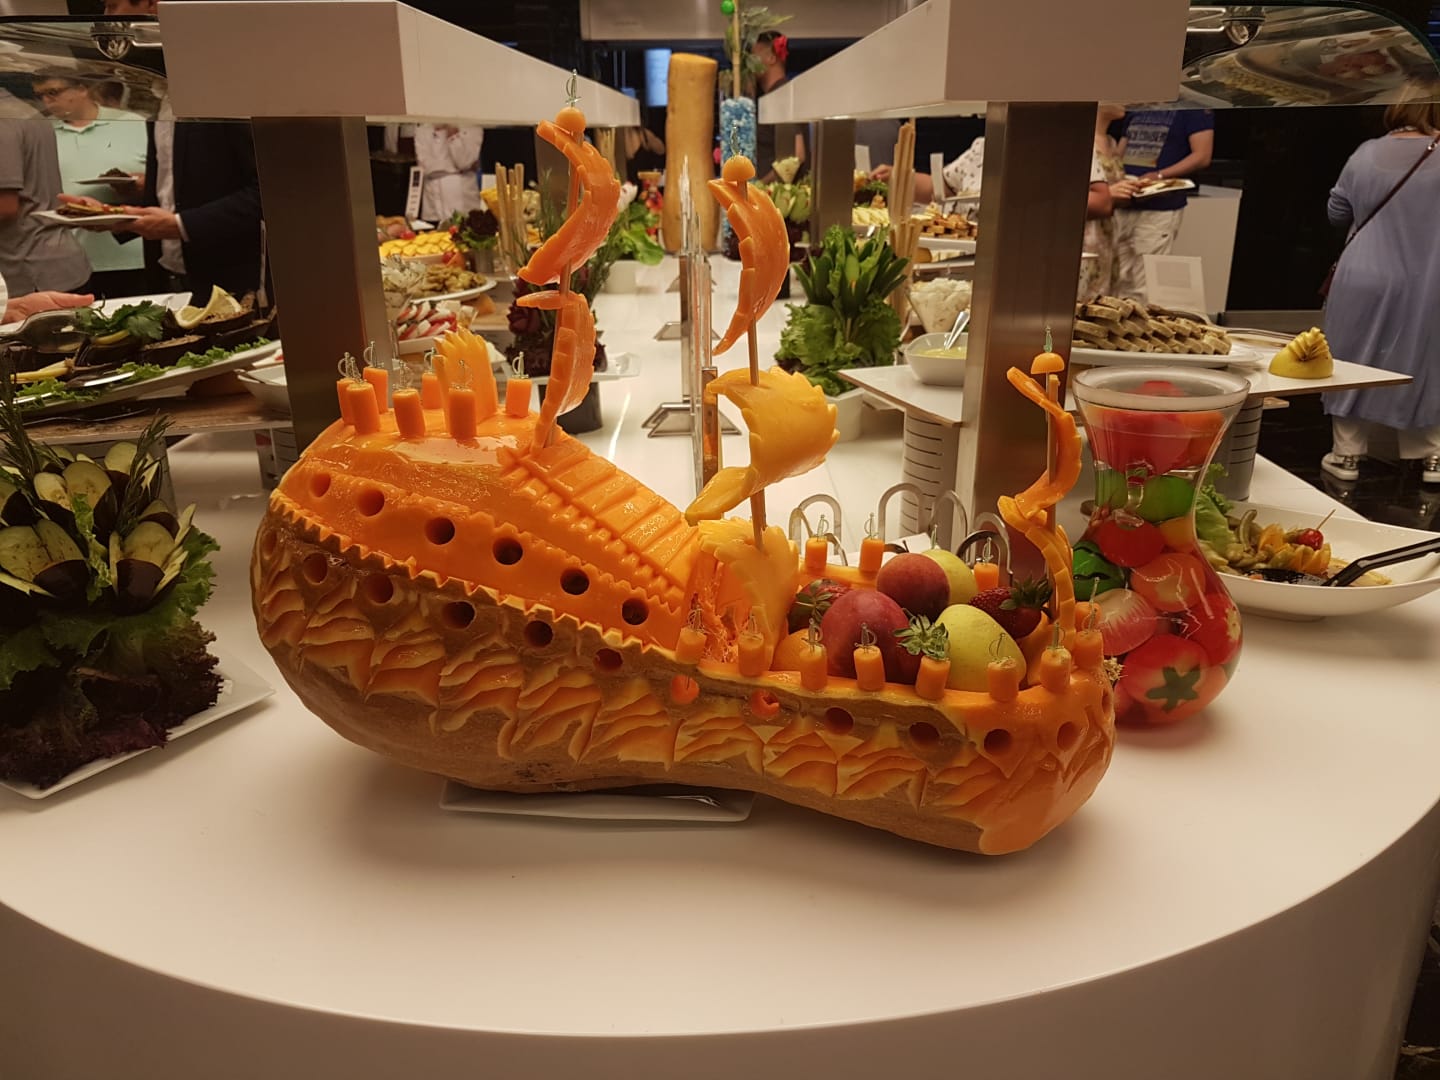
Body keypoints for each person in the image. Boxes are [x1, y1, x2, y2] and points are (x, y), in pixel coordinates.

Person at [59, 0, 265, 300]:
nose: (104, 18)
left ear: (153, 6)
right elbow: (176, 190)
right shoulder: (160, 94)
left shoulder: (225, 90)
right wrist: (118, 213)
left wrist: (181, 225)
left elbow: (269, 192)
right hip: (169, 276)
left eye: (112, 6)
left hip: (231, 283)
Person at [1320, 87, 1440, 486]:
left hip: (1364, 274)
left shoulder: (1366, 152)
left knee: (1352, 357)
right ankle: (1431, 457)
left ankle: (1346, 454)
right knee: (1425, 359)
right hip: (1429, 279)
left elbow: (1336, 211)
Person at [32, 72, 149, 297]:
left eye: (53, 92)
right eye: (40, 95)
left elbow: (165, 178)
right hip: (69, 259)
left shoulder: (131, 122)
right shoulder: (41, 132)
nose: (47, 101)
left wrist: (140, 183)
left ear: (82, 88)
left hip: (133, 253)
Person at [1109, 108, 1214, 299]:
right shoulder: (1140, 106)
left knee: (1145, 283)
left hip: (1160, 206)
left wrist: (1159, 175)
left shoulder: (1192, 109)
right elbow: (1121, 150)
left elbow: (1202, 156)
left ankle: (1139, 318)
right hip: (1124, 201)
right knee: (1115, 278)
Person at [0, 89, 90, 297]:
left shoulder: (4, 118)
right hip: (51, 260)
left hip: (28, 270)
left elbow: (5, 207)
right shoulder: (23, 109)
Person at [1079, 104, 1129, 301]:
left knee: (1104, 301)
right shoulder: (1080, 139)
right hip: (1085, 234)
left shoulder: (1111, 142)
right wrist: (1109, 195)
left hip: (1108, 233)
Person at [752, 31, 807, 181]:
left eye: (754, 57)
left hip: (778, 193)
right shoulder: (773, 96)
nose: (750, 64)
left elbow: (796, 155)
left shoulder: (782, 95)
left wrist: (759, 186)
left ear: (771, 58)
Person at [414, 123, 484, 222]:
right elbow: (425, 167)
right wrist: (455, 169)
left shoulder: (472, 126)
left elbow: (464, 162)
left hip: (464, 205)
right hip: (432, 208)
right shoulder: (423, 128)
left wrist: (453, 134)